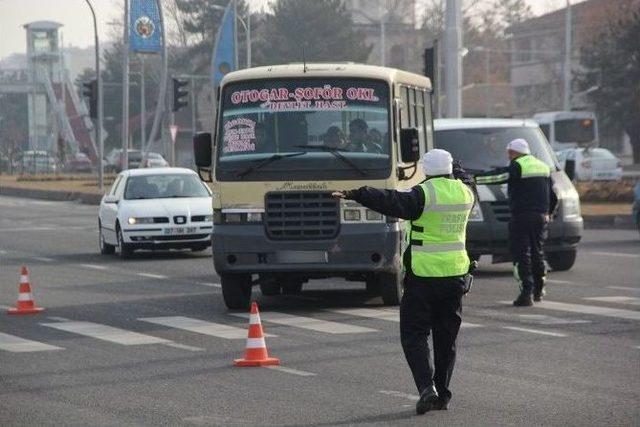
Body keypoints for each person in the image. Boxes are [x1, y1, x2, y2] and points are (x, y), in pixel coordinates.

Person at [332, 149, 476, 415]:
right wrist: (457, 167)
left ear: (425, 170)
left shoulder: (422, 195)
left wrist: (358, 193)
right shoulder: (467, 193)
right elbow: (466, 177)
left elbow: (390, 200)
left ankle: (426, 388)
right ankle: (442, 394)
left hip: (423, 277)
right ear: (450, 168)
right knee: (446, 340)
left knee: (414, 335)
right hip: (455, 276)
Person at [475, 138, 558, 306]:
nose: (508, 156)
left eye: (509, 153)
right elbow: (553, 196)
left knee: (521, 254)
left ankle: (526, 293)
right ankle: (539, 291)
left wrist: (473, 179)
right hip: (540, 217)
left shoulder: (517, 165)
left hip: (521, 216)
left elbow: (498, 177)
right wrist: (548, 213)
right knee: (537, 252)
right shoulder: (543, 167)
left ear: (513, 152)